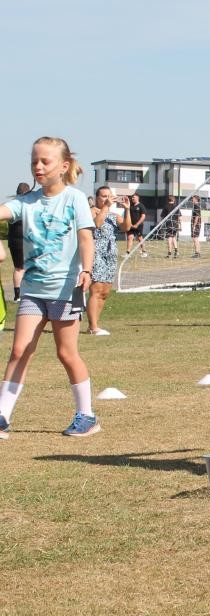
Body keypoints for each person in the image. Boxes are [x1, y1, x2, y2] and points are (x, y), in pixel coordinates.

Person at [0, 137, 100, 439]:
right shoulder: (25, 201)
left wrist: (86, 270)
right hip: (33, 288)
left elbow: (86, 238)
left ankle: (87, 416)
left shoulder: (75, 199)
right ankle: (2, 414)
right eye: (34, 161)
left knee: (66, 353)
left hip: (65, 289)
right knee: (19, 350)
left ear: (64, 166)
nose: (38, 166)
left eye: (45, 161)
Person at [87, 187, 132, 336]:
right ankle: (93, 326)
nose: (107, 199)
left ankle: (95, 324)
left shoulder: (113, 215)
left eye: (109, 196)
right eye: (103, 196)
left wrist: (127, 210)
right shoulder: (92, 211)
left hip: (110, 254)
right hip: (96, 253)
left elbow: (126, 227)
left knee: (105, 291)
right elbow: (97, 224)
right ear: (97, 197)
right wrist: (105, 206)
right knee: (96, 289)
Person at [7, 182, 30, 300]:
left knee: (18, 268)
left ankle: (17, 295)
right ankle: (22, 293)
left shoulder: (11, 205)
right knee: (23, 268)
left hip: (13, 240)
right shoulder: (26, 205)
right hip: (24, 240)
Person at [125, 193, 145, 257]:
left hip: (139, 225)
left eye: (134, 197)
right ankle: (128, 253)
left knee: (139, 238)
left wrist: (137, 224)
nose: (133, 198)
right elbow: (127, 214)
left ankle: (144, 251)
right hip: (130, 225)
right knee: (130, 237)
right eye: (132, 197)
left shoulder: (141, 206)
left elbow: (143, 216)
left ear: (137, 198)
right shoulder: (130, 206)